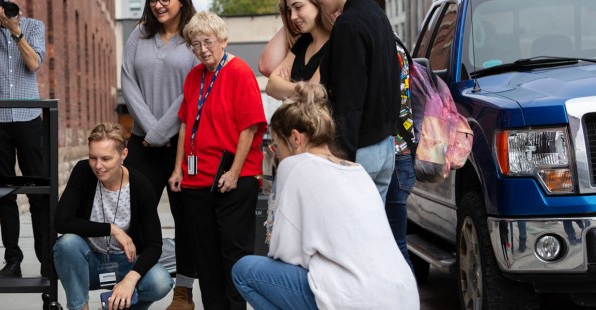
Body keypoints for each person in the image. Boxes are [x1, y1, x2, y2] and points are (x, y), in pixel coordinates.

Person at [231, 82, 418, 310]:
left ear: (296, 138)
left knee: (244, 270)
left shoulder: (295, 166)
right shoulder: (357, 171)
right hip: (404, 295)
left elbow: (284, 254)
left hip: (357, 299)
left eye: (277, 146)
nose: (277, 154)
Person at [168, 11, 267, 310]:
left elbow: (249, 126)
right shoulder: (194, 76)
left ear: (223, 40)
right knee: (206, 259)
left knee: (233, 258)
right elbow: (186, 124)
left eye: (207, 41)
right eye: (194, 44)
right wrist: (177, 168)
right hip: (198, 180)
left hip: (232, 179)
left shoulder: (239, 72)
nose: (201, 49)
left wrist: (235, 172)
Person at [119, 0, 198, 308]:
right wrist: (152, 132)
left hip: (183, 144)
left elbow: (192, 89)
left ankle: (183, 292)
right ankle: (135, 286)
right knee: (134, 217)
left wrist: (162, 131)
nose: (159, 4)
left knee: (187, 219)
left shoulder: (193, 36)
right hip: (143, 142)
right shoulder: (138, 35)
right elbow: (128, 82)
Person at [54, 123, 173, 310]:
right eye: (93, 157)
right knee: (67, 244)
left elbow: (154, 245)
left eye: (106, 158)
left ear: (123, 155)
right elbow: (61, 221)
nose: (98, 166)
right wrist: (112, 229)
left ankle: (119, 306)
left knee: (160, 281)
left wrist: (131, 279)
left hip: (125, 264)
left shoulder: (141, 185)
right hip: (88, 262)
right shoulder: (83, 172)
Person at [0, 0, 50, 279]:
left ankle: (46, 260)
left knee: (38, 192)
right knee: (4, 193)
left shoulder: (34, 26)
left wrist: (16, 31)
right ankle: (12, 260)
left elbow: (34, 64)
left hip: (28, 118)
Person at [316, 0, 400, 201]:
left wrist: (341, 158)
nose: (317, 1)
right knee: (371, 227)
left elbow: (349, 99)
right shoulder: (377, 14)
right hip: (385, 145)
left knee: (349, 229)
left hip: (360, 149)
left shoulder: (348, 23)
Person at [375, 0, 416, 271]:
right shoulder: (395, 42)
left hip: (394, 154)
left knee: (393, 245)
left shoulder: (385, 46)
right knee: (395, 244)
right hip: (401, 154)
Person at [264, 0, 334, 100]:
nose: (292, 17)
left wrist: (285, 86)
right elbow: (270, 86)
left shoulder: (335, 42)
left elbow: (315, 94)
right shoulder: (303, 42)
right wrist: (302, 88)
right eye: (289, 10)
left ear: (318, 3)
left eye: (298, 7)